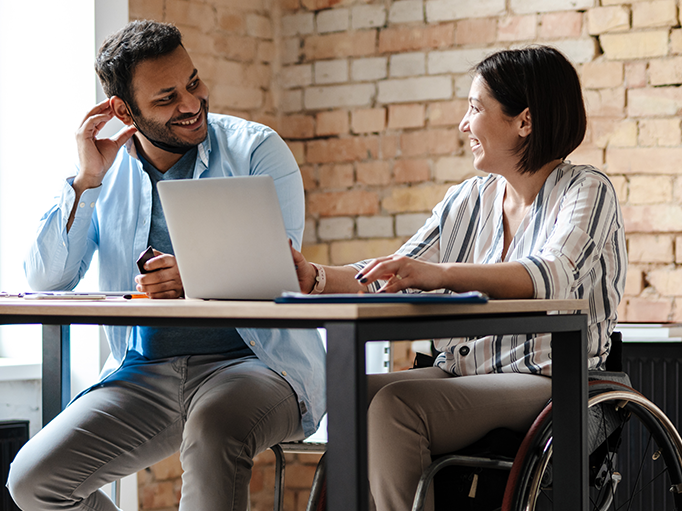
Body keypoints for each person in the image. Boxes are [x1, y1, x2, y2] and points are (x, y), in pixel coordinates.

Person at [8, 20, 325, 511]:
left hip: (255, 365)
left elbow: (280, 270)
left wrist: (196, 277)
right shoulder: (104, 173)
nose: (191, 105)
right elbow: (46, 280)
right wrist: (86, 180)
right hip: (144, 374)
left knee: (215, 429)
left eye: (193, 83)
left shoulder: (257, 150)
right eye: (166, 98)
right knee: (33, 481)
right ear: (122, 109)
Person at [291, 46, 627, 511]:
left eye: (474, 108)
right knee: (348, 392)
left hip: (553, 377)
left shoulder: (587, 190)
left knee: (396, 407)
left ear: (524, 121)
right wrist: (314, 277)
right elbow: (399, 270)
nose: (463, 124)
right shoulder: (467, 198)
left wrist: (440, 275)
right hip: (465, 372)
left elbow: (550, 275)